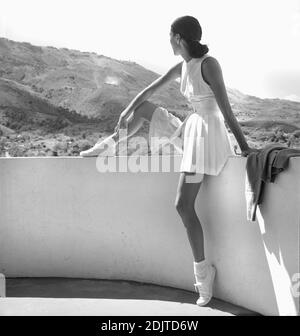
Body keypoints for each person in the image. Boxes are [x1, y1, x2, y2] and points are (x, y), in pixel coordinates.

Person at [80, 15, 258, 306]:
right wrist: (127, 110)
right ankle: (108, 145)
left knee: (182, 204)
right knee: (145, 109)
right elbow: (148, 91)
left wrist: (245, 147)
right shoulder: (182, 66)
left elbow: (226, 109)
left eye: (169, 36)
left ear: (178, 38)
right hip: (191, 129)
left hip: (206, 135)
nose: (168, 41)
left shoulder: (209, 64)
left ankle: (203, 275)